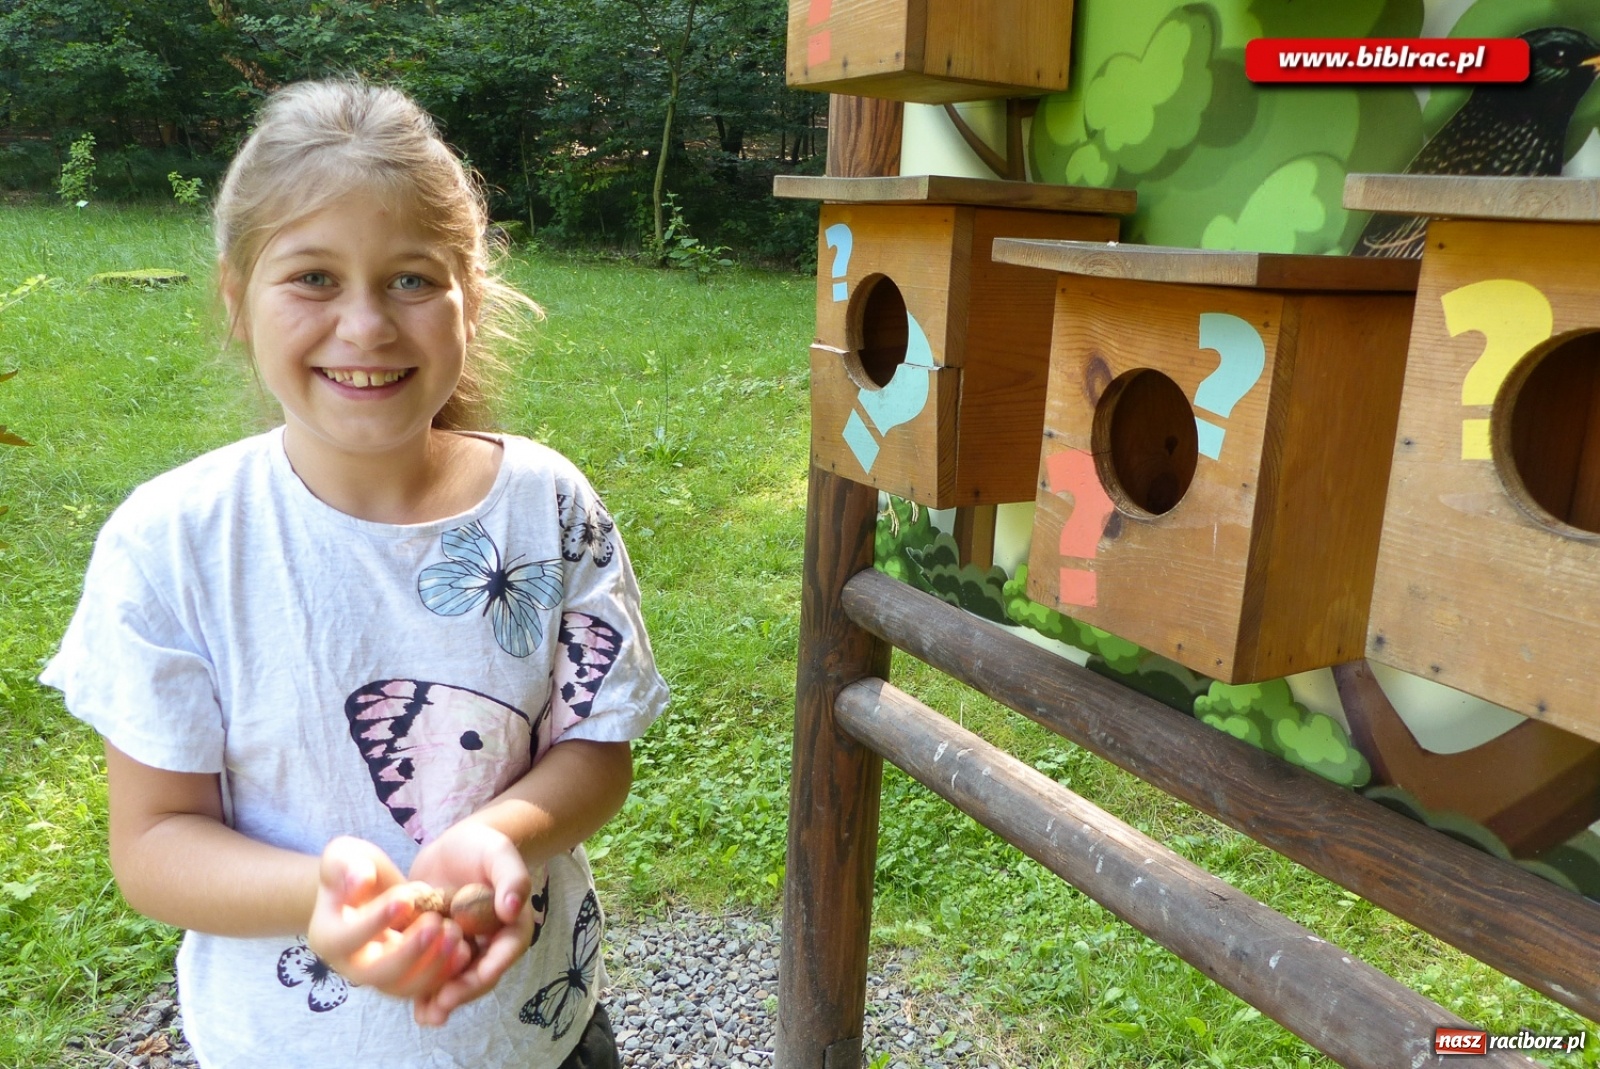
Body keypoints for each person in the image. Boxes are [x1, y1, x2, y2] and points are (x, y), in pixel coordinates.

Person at [40, 79, 668, 1068]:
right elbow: (155, 838)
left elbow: (595, 748)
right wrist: (320, 894)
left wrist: (500, 832)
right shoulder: (171, 543)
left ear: (471, 293)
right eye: (314, 279)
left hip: (538, 1030)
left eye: (412, 279)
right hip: (279, 1044)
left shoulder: (548, 506)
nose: (367, 326)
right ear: (236, 300)